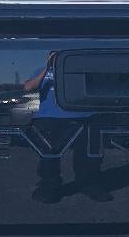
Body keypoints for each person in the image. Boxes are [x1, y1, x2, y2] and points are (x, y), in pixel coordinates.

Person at [24, 55, 110, 203]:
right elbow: (28, 87)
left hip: (82, 115)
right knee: (49, 154)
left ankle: (88, 184)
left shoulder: (79, 70)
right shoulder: (42, 71)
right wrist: (47, 68)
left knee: (88, 153)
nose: (57, 56)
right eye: (53, 54)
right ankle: (49, 187)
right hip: (50, 117)